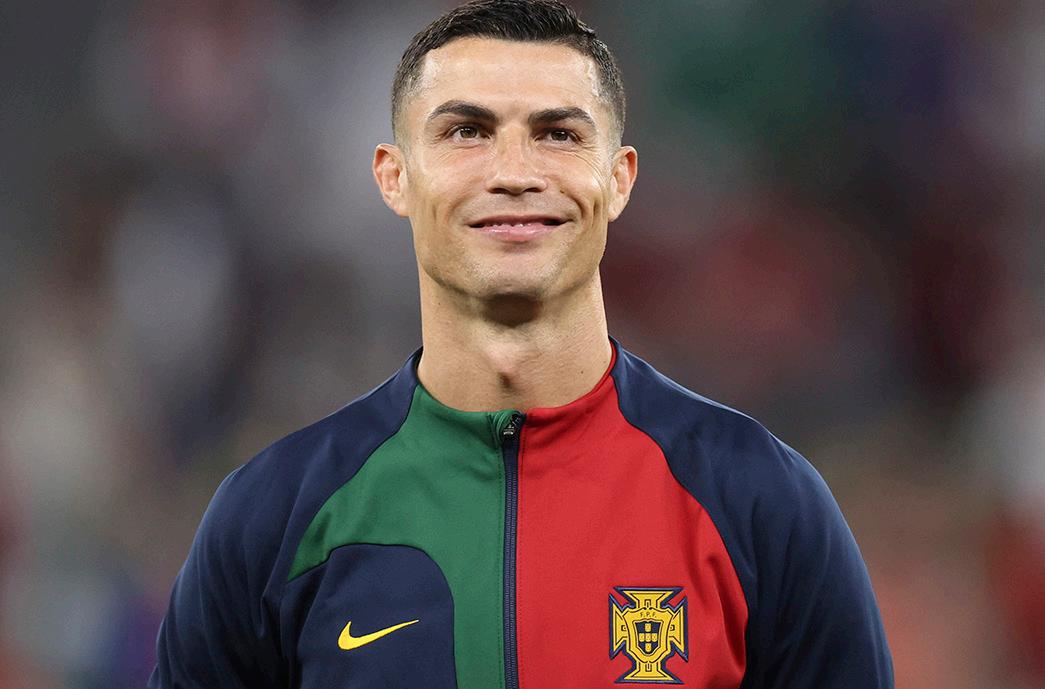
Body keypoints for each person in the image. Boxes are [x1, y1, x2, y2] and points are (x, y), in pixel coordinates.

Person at [149, 1, 894, 687]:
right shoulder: (274, 519)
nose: (513, 173)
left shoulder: (759, 503)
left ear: (619, 179)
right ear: (394, 177)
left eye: (558, 134)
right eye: (466, 132)